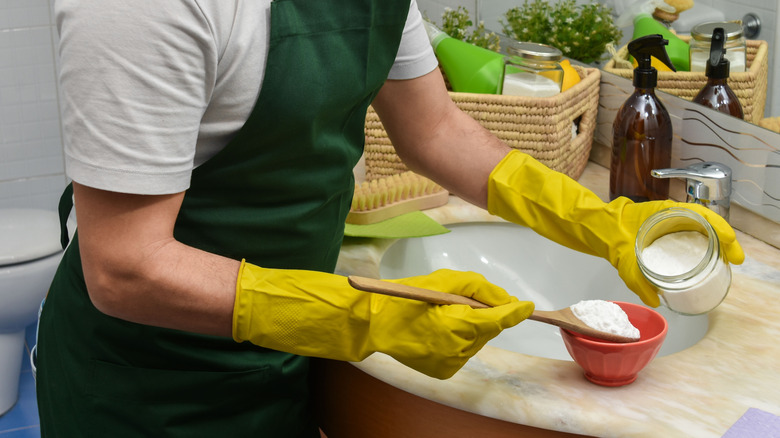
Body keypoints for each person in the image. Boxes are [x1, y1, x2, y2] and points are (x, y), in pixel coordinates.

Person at [37, 1, 744, 437]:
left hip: (283, 354)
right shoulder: (140, 8)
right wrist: (363, 316)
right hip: (143, 388)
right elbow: (125, 268)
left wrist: (594, 219)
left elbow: (434, 129)